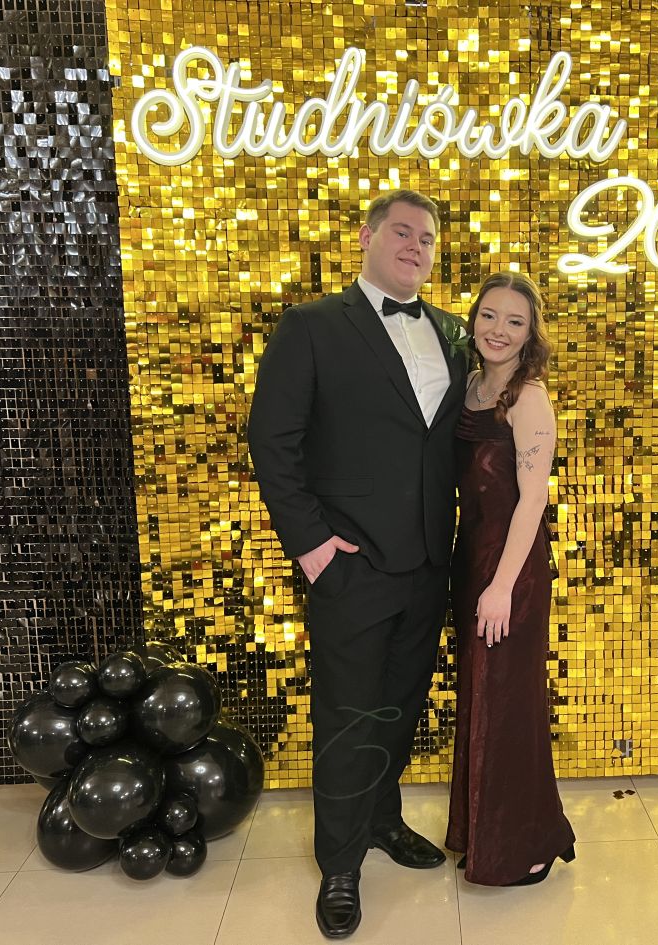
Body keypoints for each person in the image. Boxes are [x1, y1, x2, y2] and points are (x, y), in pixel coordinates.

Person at [247, 189, 468, 938]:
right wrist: (313, 548)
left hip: (429, 559)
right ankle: (339, 862)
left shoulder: (453, 331)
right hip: (350, 562)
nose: (416, 246)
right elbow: (272, 440)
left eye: (427, 238)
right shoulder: (311, 326)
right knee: (347, 714)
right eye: (402, 231)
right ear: (367, 237)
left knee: (402, 703)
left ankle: (381, 818)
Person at [445, 271, 576, 886]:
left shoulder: (529, 398)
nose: (499, 329)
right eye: (490, 316)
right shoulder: (471, 387)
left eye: (515, 321)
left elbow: (532, 500)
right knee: (480, 696)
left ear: (530, 334)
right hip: (469, 558)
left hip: (510, 572)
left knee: (508, 701)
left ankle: (525, 843)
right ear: (475, 320)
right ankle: (481, 834)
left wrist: (501, 586)